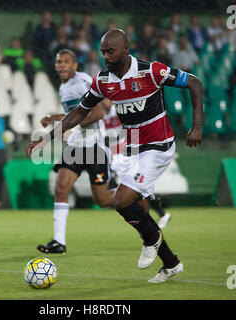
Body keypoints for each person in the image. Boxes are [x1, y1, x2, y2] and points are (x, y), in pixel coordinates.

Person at [26, 29, 203, 283]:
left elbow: (194, 82)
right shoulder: (103, 81)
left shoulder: (150, 71)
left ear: (125, 48)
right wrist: (45, 138)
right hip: (133, 149)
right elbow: (79, 112)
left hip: (158, 147)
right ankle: (171, 263)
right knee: (127, 203)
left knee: (121, 199)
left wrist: (196, 125)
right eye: (103, 52)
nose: (106, 56)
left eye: (111, 51)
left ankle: (152, 238)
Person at [35, 49, 115, 255]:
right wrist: (55, 118)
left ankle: (134, 194)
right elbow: (76, 112)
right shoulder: (64, 87)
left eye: (66, 62)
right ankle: (58, 242)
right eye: (58, 62)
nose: (61, 65)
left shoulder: (82, 82)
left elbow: (96, 113)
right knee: (61, 187)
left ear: (75, 66)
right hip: (76, 145)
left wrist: (62, 129)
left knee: (102, 200)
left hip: (95, 145)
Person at [102, 100, 171, 229]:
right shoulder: (101, 115)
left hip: (128, 149)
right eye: (103, 99)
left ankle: (158, 214)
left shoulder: (118, 110)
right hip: (115, 152)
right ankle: (154, 213)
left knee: (135, 186)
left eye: (107, 99)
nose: (106, 102)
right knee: (122, 182)